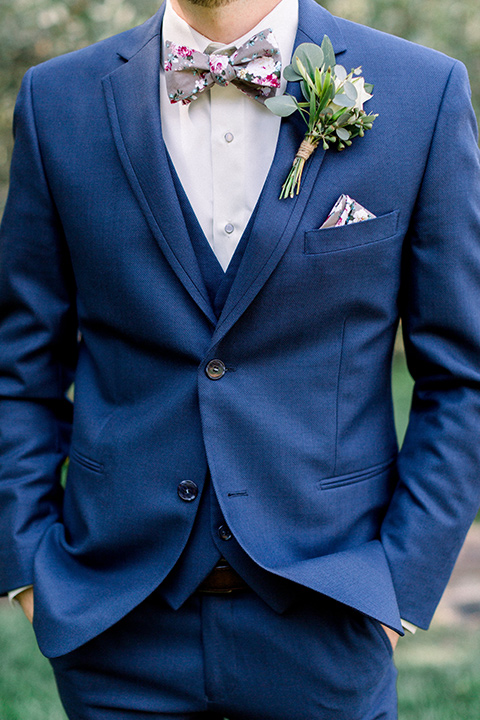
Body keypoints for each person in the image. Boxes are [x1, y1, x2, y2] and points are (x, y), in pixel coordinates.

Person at [1, 0, 480, 717]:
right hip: (115, 622)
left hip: (330, 614)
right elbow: (20, 368)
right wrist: (29, 570)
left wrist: (398, 585)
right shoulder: (58, 98)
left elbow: (463, 376)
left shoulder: (422, 91)